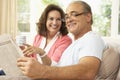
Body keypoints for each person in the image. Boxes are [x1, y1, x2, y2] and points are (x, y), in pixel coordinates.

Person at [17, 1, 106, 80]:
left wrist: (42, 70)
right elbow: (56, 67)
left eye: (74, 14)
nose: (69, 20)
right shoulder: (74, 45)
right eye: (66, 17)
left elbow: (87, 72)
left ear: (88, 17)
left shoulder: (91, 39)